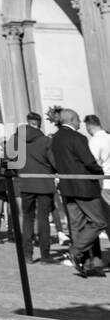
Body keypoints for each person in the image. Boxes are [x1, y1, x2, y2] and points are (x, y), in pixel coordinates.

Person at [50, 108, 109, 278]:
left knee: (77, 225)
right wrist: (100, 172)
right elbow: (89, 161)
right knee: (99, 222)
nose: (79, 124)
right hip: (85, 187)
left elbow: (54, 161)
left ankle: (84, 262)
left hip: (67, 187)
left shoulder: (55, 138)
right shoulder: (77, 138)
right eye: (77, 121)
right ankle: (76, 251)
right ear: (72, 119)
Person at [18, 111, 57, 263]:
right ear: (38, 124)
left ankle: (27, 255)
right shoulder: (46, 141)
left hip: (26, 183)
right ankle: (45, 256)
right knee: (43, 219)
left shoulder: (18, 141)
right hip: (44, 183)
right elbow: (54, 162)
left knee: (27, 219)